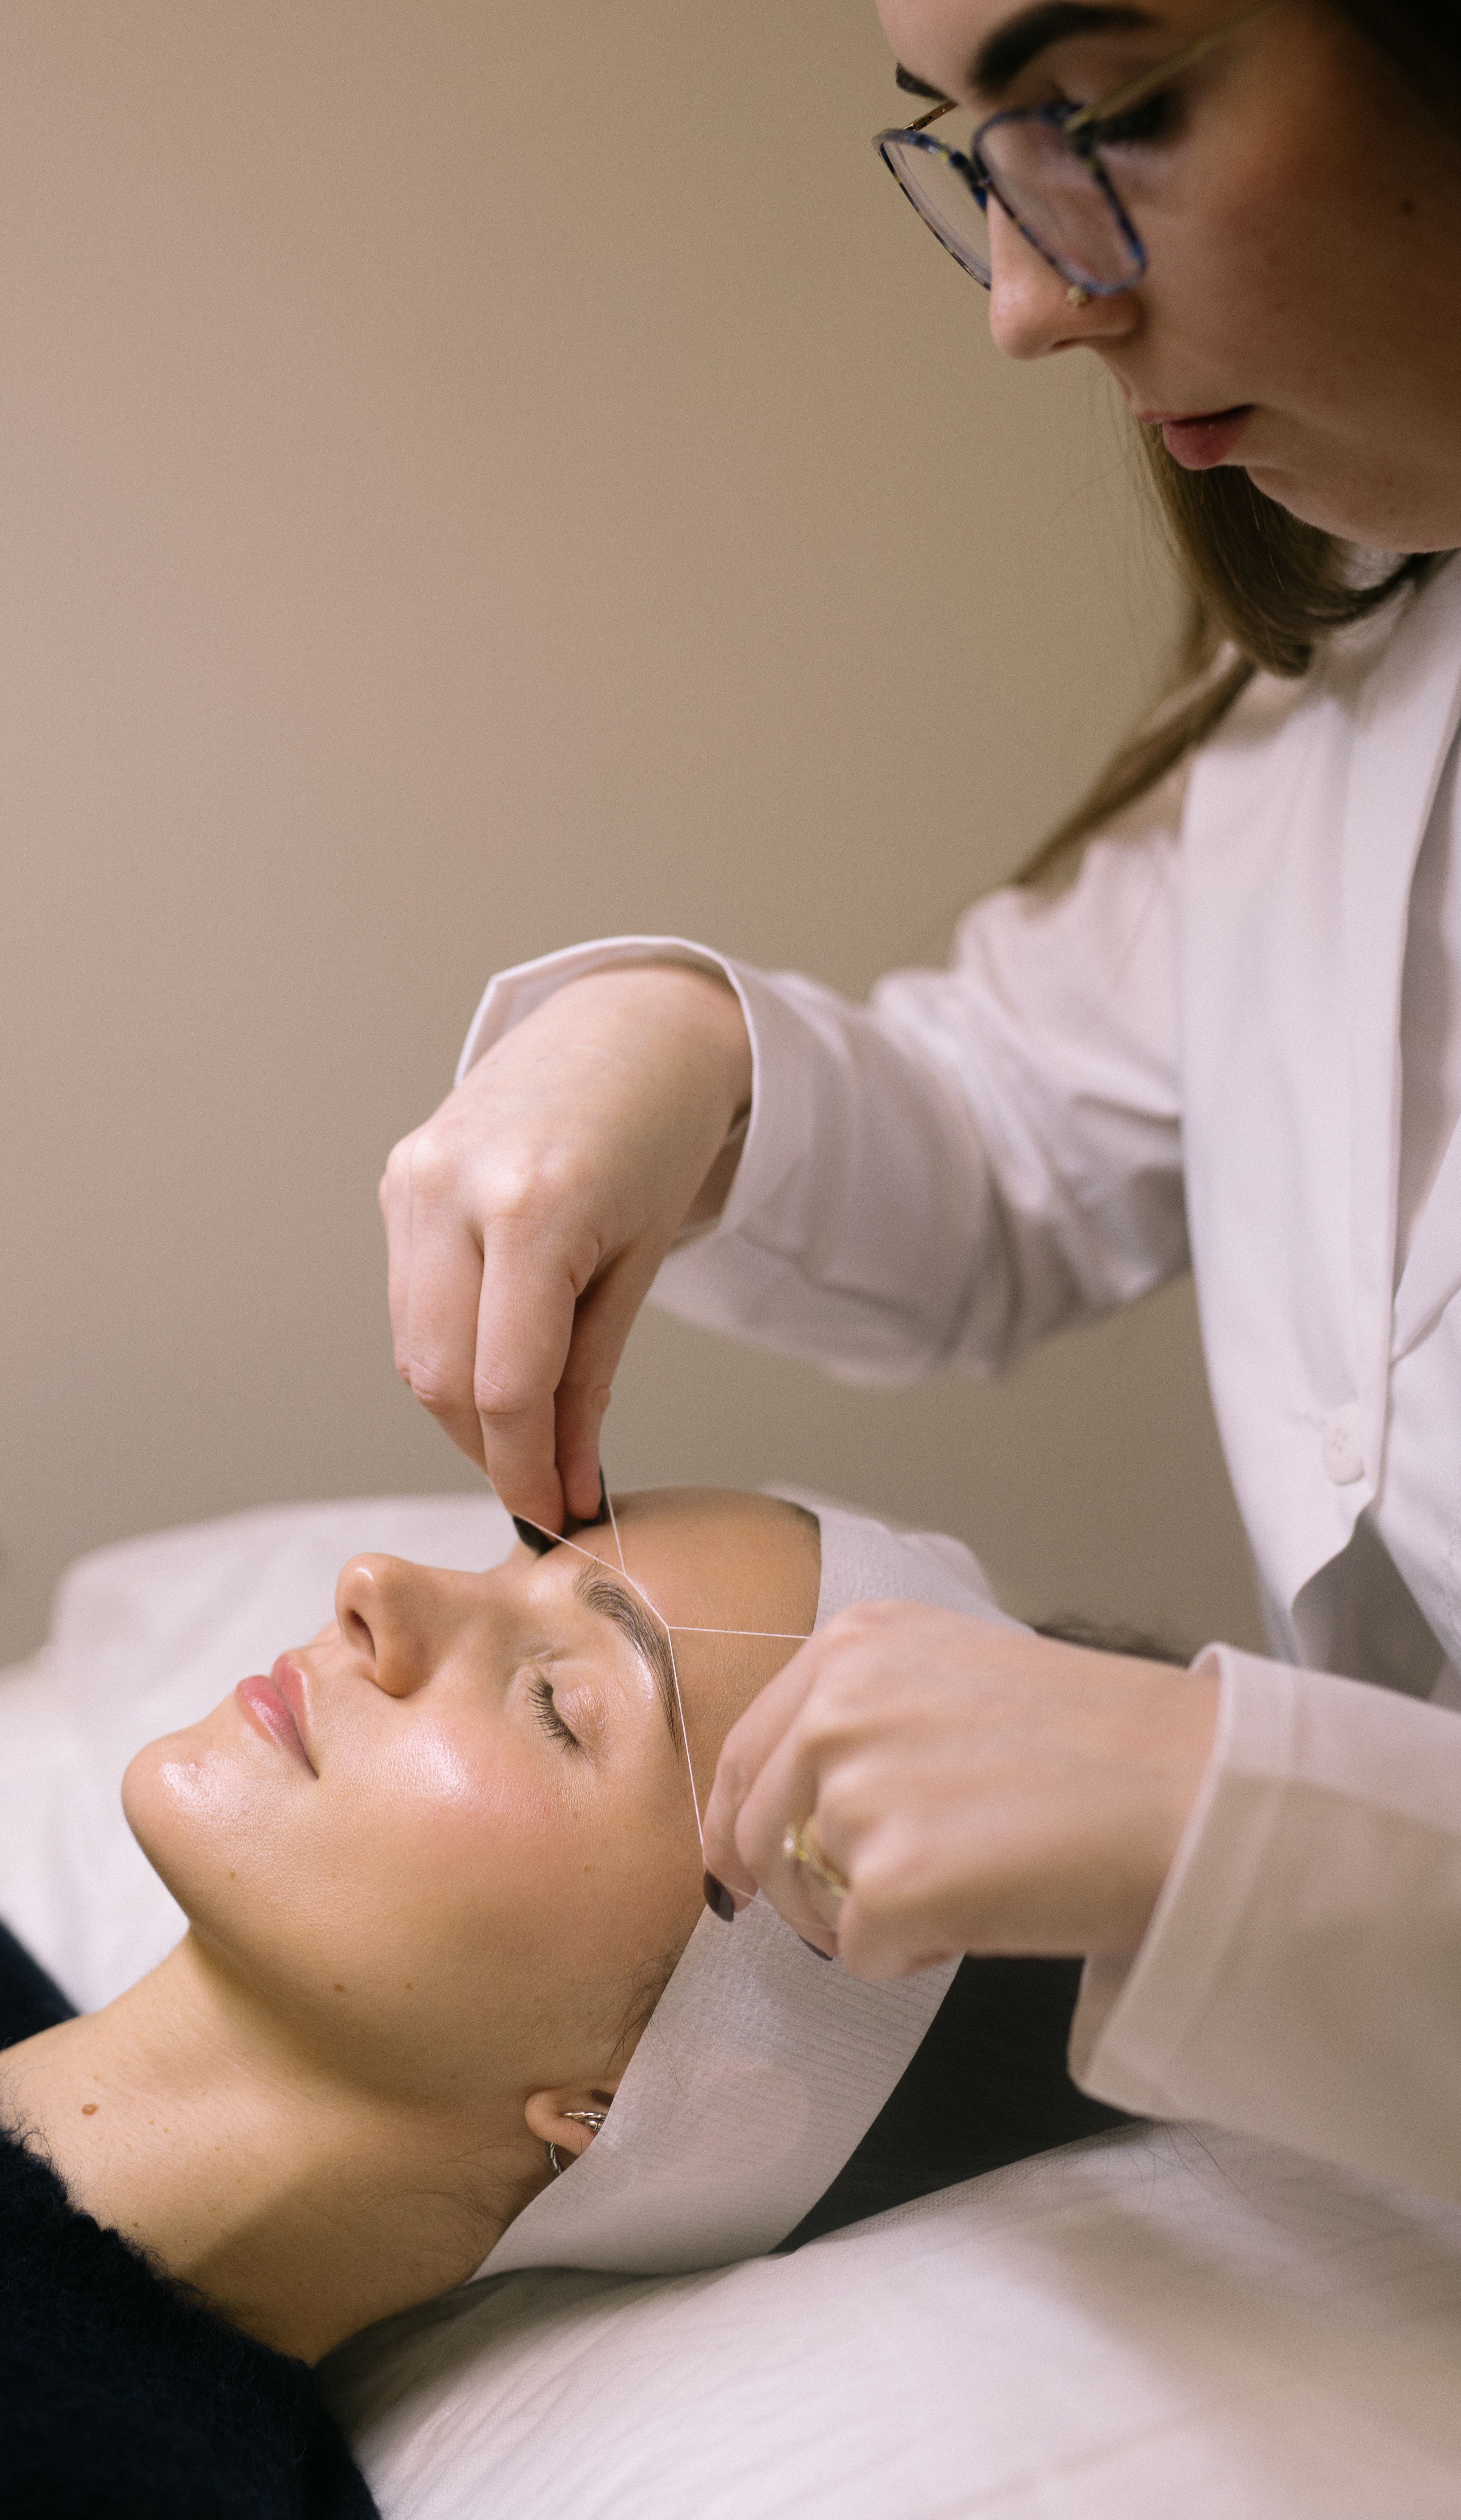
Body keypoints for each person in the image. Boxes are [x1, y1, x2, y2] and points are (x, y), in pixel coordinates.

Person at [380, 0, 1461, 2206]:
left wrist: (1237, 1817)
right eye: (973, 144)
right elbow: (1008, 1135)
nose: (1023, 298)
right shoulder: (1353, 689)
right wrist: (685, 1048)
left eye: (1115, 111)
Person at [0, 1484, 1114, 2512]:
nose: (380, 1587)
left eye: (559, 1700)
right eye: (524, 1563)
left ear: (631, 2095)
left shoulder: (115, 2479)